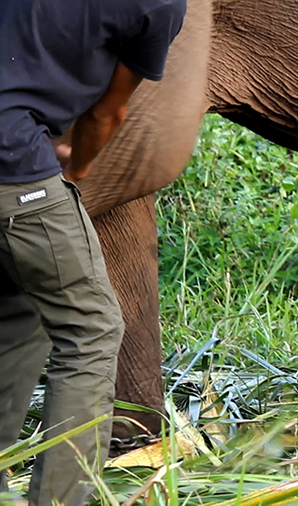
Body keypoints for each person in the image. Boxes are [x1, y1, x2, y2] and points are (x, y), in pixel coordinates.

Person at [0, 0, 187, 503]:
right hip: (13, 162)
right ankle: (60, 498)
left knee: (26, 305)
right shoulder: (161, 4)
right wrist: (74, 171)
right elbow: (108, 110)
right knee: (92, 329)